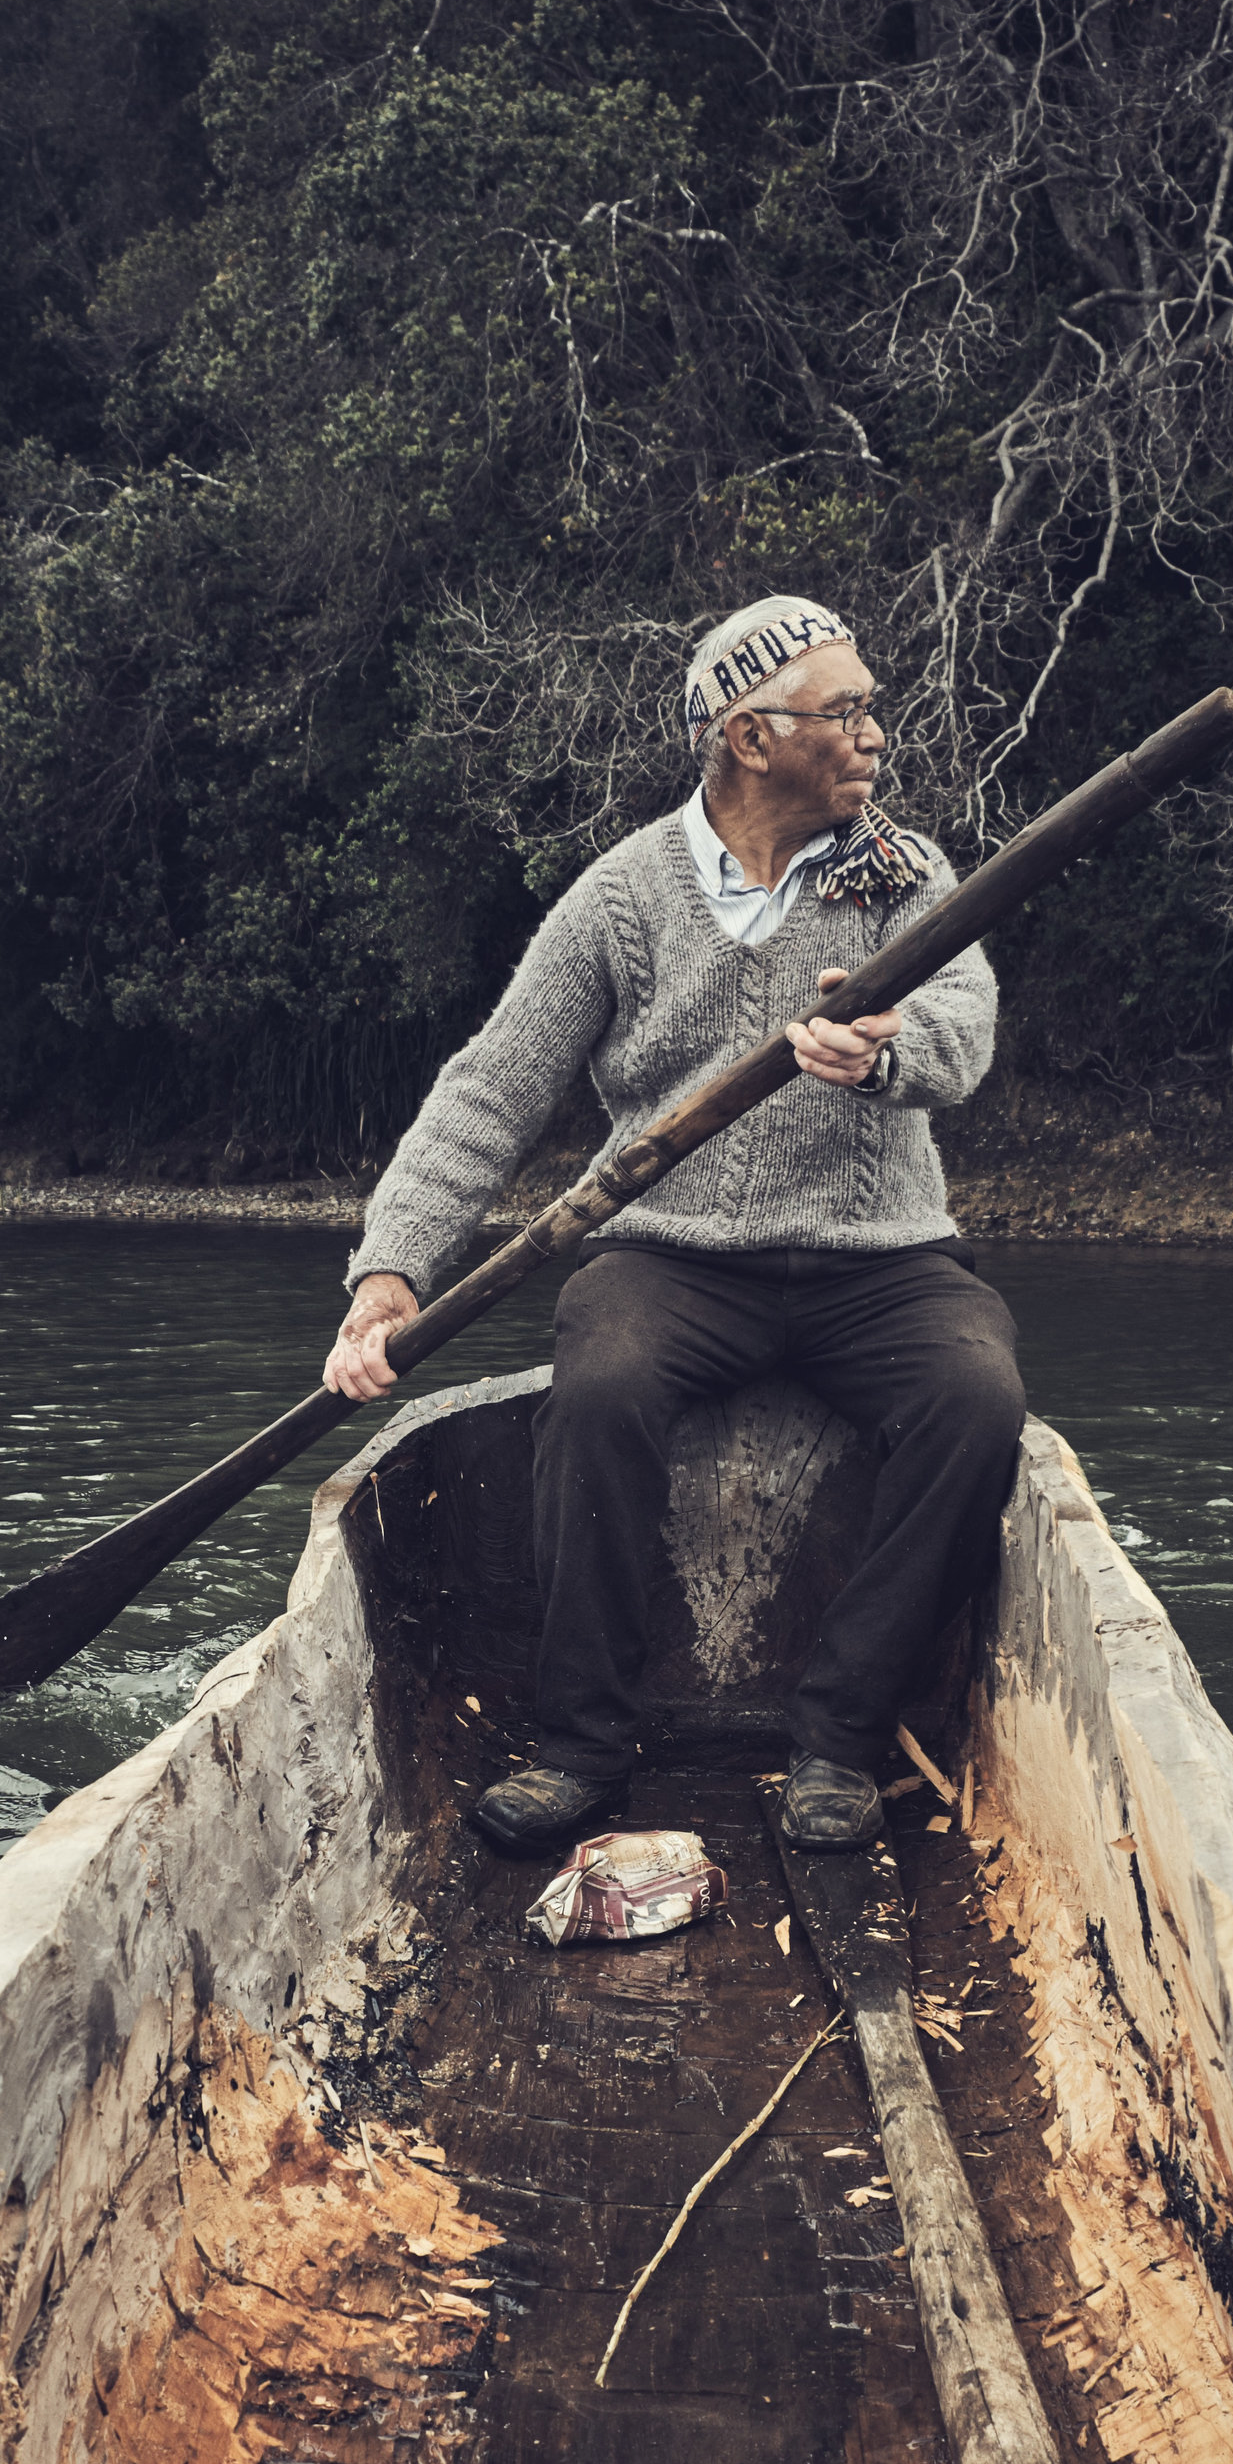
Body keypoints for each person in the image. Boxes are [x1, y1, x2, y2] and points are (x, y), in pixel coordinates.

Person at [323, 594, 1026, 1853]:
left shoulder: (901, 872)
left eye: (870, 704)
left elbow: (965, 1028)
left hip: (884, 1260)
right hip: (672, 1254)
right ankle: (584, 1747)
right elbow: (491, 1088)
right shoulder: (623, 899)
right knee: (594, 1393)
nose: (874, 734)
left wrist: (886, 1051)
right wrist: (391, 1275)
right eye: (844, 711)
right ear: (751, 738)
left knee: (976, 1403)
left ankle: (840, 1739)